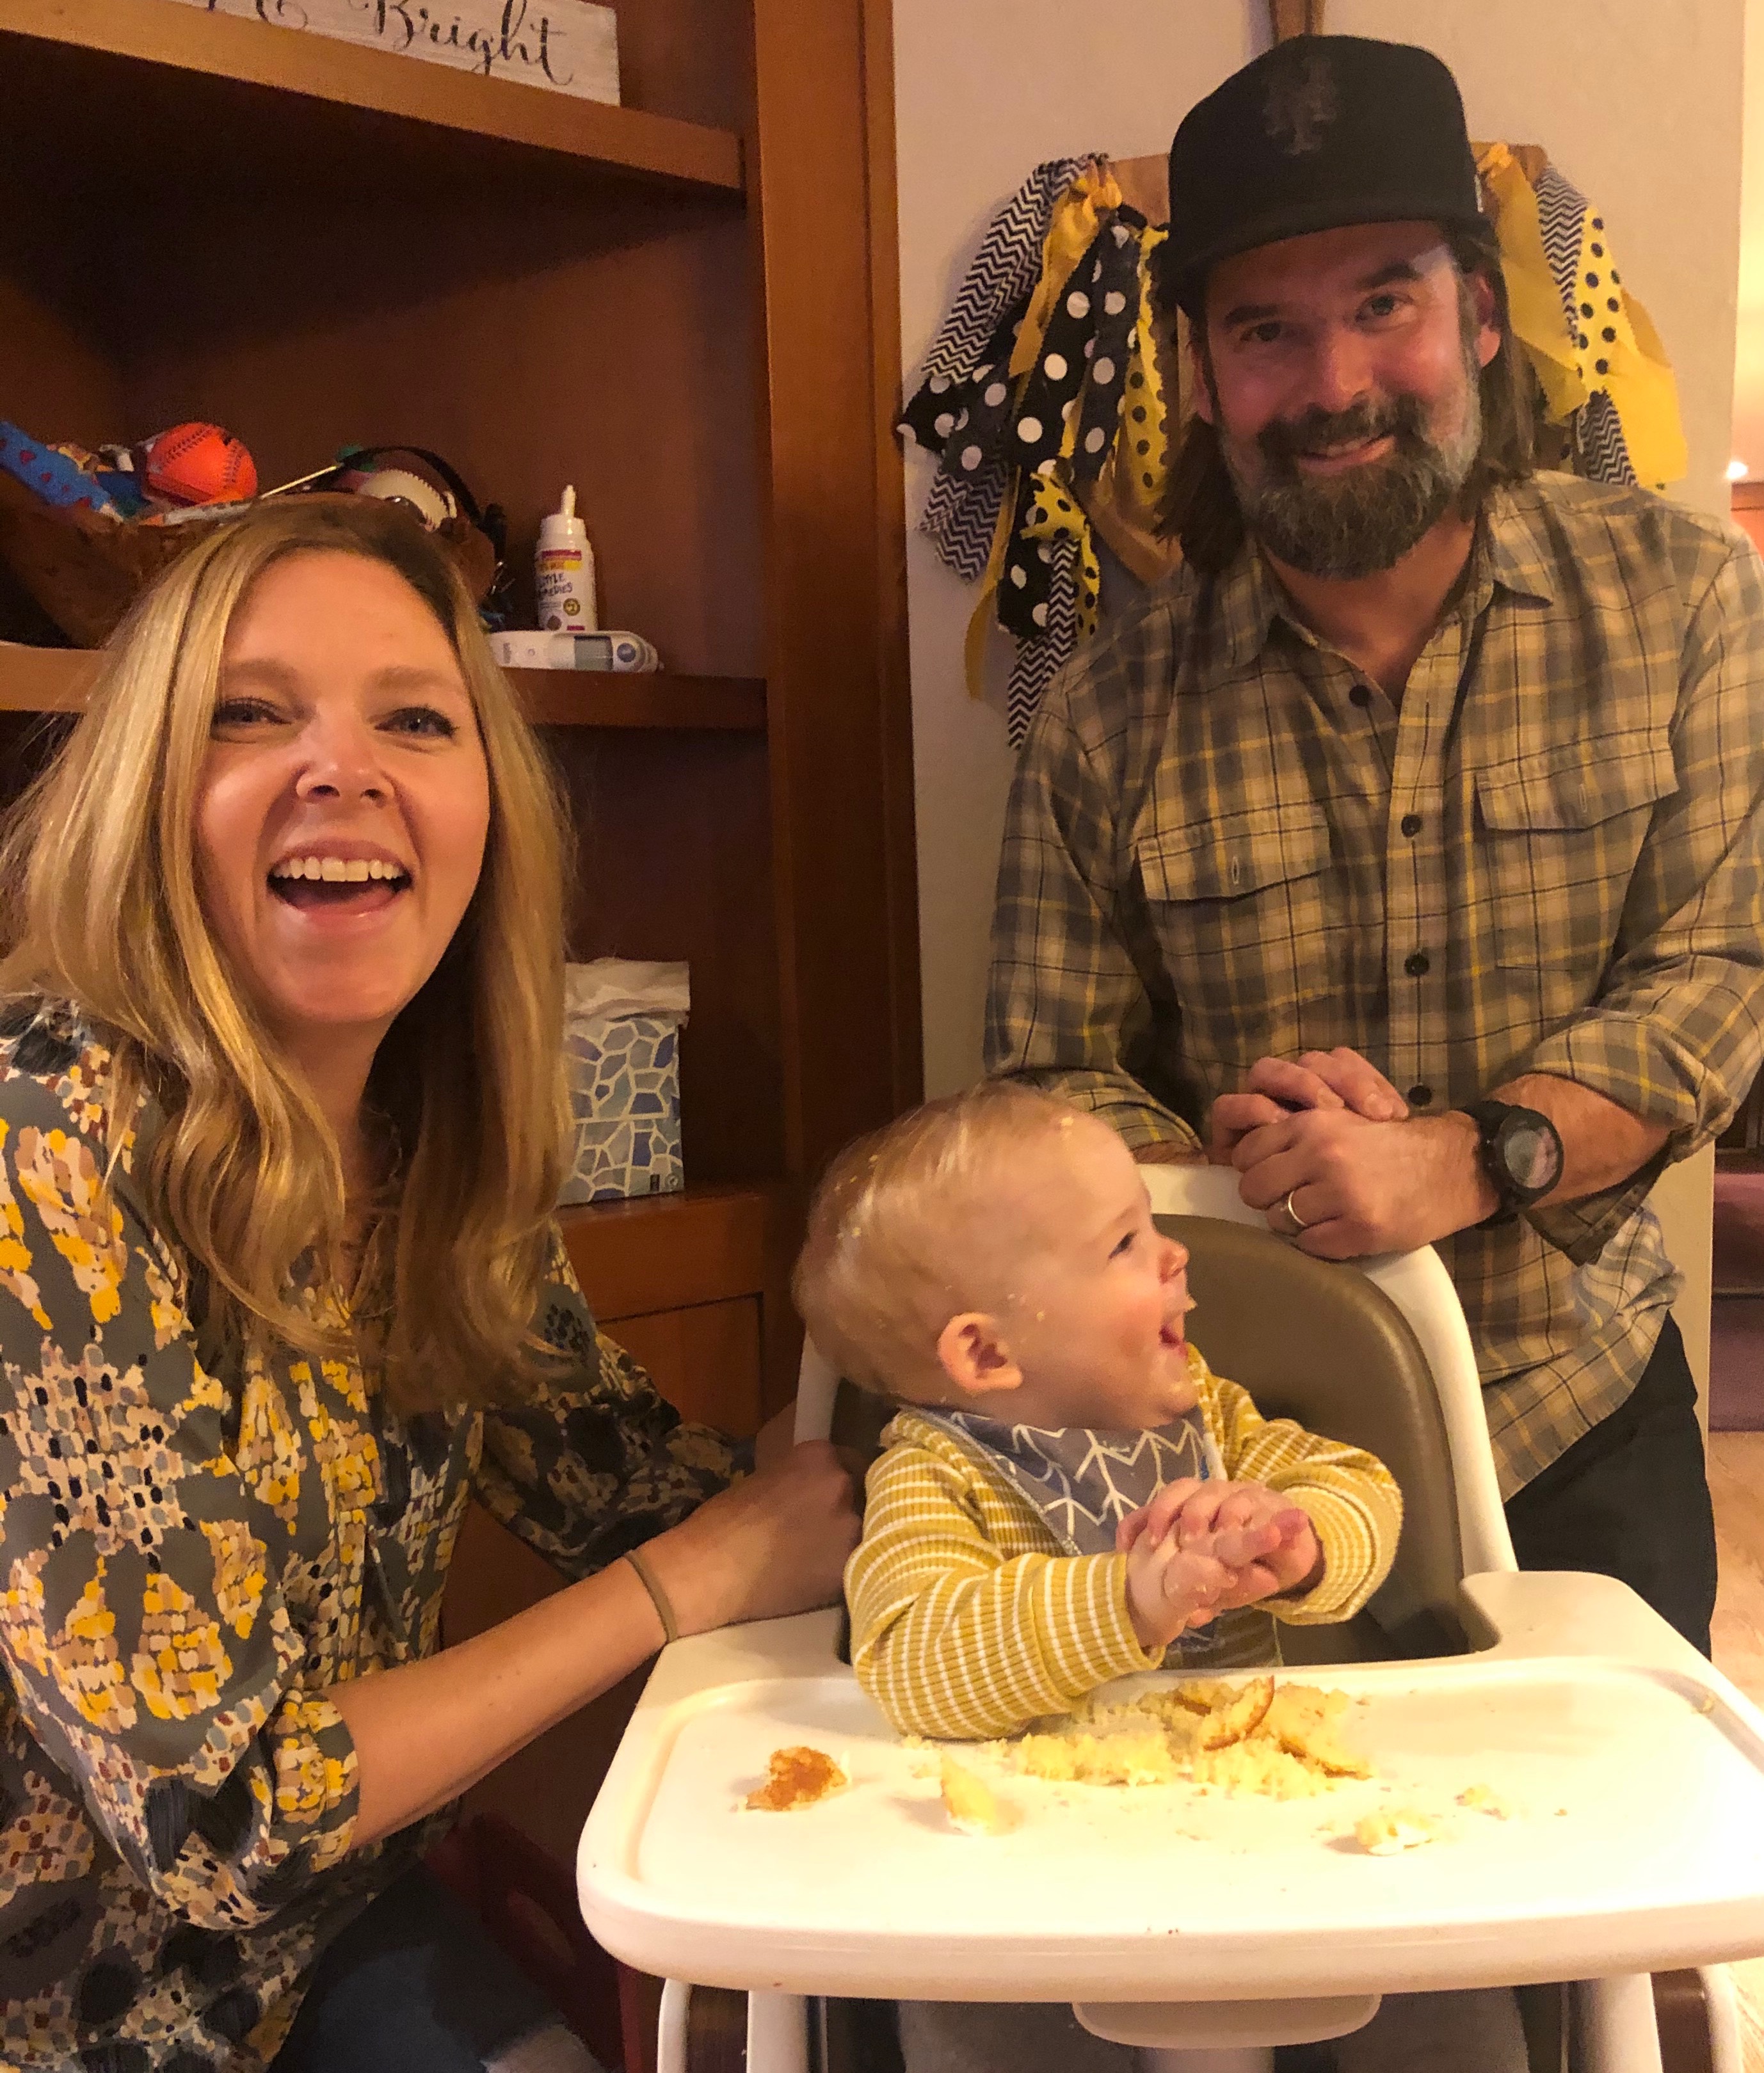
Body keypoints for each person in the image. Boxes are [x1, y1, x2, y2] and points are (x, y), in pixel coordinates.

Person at [0, 497, 859, 2072]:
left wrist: (993, 1442)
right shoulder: (37, 1147)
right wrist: (690, 1583)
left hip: (313, 1946)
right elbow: (228, 1821)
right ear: (143, 792)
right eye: (248, 715)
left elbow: (634, 1487)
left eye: (413, 718)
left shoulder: (427, 1142)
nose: (342, 768)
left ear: (488, 808)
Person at [987, 33, 1764, 1656]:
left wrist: (1469, 1154)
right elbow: (1047, 1079)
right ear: (1200, 372)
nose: (1334, 385)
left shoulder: (1689, 602)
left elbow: (1724, 968)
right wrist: (1235, 1169)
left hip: (1583, 1417)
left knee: (1609, 1832)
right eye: (1266, 328)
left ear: (1478, 313)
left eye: (1384, 303)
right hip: (1238, 1468)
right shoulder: (1105, 713)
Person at [793, 1080, 1524, 2073]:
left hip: (1254, 1832)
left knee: (1447, 1972)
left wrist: (1299, 1543)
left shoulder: (1205, 1420)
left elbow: (1360, 1486)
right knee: (967, 2004)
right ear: (987, 1349)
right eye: (1125, 1244)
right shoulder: (934, 1477)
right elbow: (916, 1662)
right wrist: (1129, 1599)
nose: (1176, 1252)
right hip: (1023, 1869)